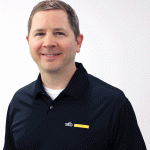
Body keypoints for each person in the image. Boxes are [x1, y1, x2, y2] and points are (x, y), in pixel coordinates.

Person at [3, 0, 147, 149]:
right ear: (29, 42)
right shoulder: (18, 103)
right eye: (40, 33)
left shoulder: (113, 104)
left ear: (78, 42)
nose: (48, 42)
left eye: (59, 33)